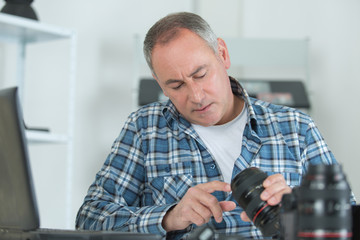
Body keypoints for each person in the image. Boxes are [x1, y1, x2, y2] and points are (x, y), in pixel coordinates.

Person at [75, 12, 355, 239]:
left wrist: (303, 212)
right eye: (176, 85)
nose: (196, 96)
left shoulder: (296, 128)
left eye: (200, 74)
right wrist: (169, 217)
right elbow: (89, 218)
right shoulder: (144, 129)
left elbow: (349, 221)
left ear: (222, 54)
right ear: (159, 82)